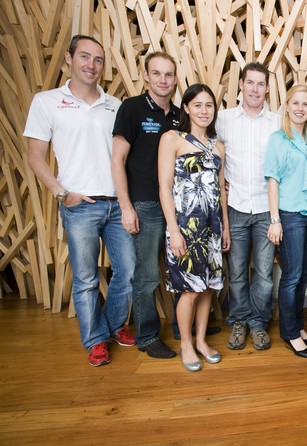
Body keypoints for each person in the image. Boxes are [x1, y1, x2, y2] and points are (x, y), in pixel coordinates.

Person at [24, 35, 136, 367]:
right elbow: (34, 156)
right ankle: (96, 340)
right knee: (86, 277)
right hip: (80, 205)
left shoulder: (115, 105)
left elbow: (124, 157)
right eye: (85, 57)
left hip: (117, 203)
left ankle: (114, 325)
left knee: (127, 270)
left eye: (98, 59)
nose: (91, 65)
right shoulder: (46, 101)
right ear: (69, 59)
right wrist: (63, 193)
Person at [111, 52, 179, 359]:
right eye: (157, 73)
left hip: (178, 206)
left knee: (180, 268)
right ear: (146, 76)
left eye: (168, 74)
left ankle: (182, 326)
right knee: (148, 274)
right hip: (146, 204)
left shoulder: (180, 116)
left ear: (175, 79)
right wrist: (126, 206)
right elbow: (117, 159)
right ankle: (148, 335)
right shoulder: (132, 108)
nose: (163, 80)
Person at [158, 84, 230, 372]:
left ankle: (201, 340)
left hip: (212, 227)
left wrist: (224, 226)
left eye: (209, 105)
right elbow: (164, 187)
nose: (204, 110)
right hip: (185, 227)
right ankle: (186, 344)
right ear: (186, 107)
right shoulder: (172, 138)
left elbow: (221, 191)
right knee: (188, 289)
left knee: (209, 287)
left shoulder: (218, 146)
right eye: (197, 105)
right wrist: (174, 230)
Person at [215, 62, 281, 351]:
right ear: (241, 84)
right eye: (250, 82)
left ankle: (258, 323)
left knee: (265, 274)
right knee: (238, 272)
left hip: (267, 209)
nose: (255, 89)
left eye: (260, 84)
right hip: (236, 206)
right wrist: (220, 184)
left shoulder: (277, 122)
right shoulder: (223, 119)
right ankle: (239, 321)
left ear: (267, 88)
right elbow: (208, 153)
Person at [265, 84, 307, 358]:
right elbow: (272, 181)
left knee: (304, 274)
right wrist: (275, 219)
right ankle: (290, 332)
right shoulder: (279, 139)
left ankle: (299, 326)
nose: (301, 108)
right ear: (287, 107)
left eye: (306, 104)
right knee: (291, 276)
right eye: (296, 103)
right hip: (290, 216)